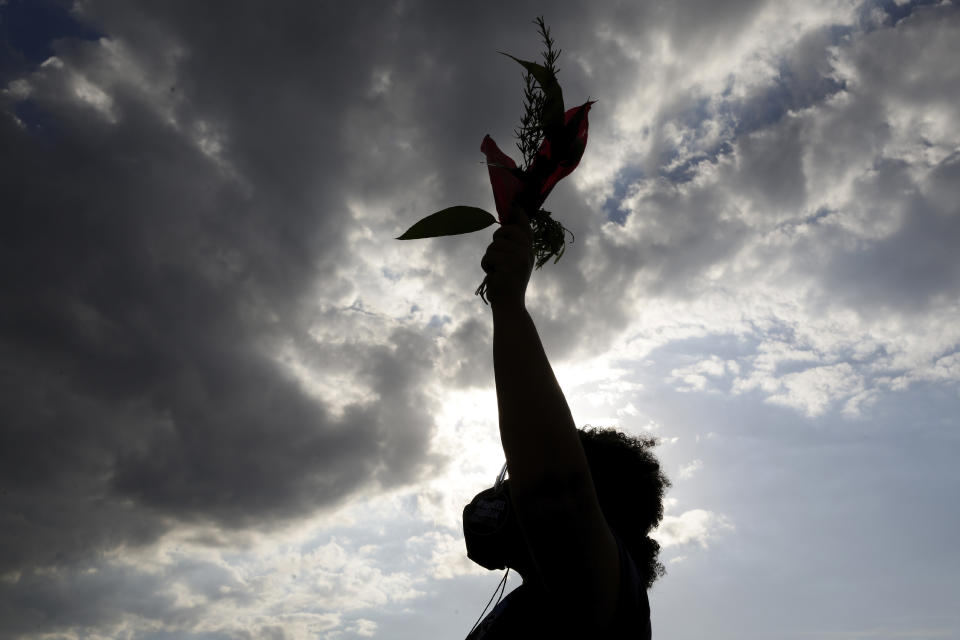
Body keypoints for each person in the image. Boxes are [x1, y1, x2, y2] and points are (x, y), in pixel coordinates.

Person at [463, 206, 670, 638]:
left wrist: (509, 306)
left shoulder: (606, 593)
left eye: (517, 473)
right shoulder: (538, 603)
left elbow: (555, 491)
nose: (508, 486)